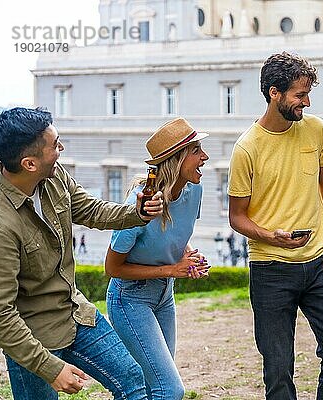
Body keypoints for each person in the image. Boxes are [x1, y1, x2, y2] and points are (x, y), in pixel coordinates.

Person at [0, 107, 164, 400]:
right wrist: (50, 369)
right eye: (54, 145)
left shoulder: (53, 175)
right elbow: (0, 315)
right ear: (29, 163)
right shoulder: (0, 224)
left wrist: (137, 213)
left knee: (133, 382)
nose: (61, 149)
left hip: (77, 313)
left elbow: (89, 209)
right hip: (34, 339)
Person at [228, 52, 323, 400]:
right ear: (274, 93)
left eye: (308, 94)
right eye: (299, 95)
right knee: (278, 368)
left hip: (319, 263)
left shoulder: (316, 130)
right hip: (270, 269)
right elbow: (237, 217)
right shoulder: (246, 149)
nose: (306, 102)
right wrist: (272, 237)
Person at [105, 117, 211, 400]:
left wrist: (188, 257)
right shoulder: (139, 207)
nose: (205, 157)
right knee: (170, 389)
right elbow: (112, 268)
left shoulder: (194, 191)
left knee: (155, 387)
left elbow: (176, 234)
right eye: (196, 150)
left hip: (165, 296)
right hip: (130, 300)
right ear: (176, 159)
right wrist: (172, 268)